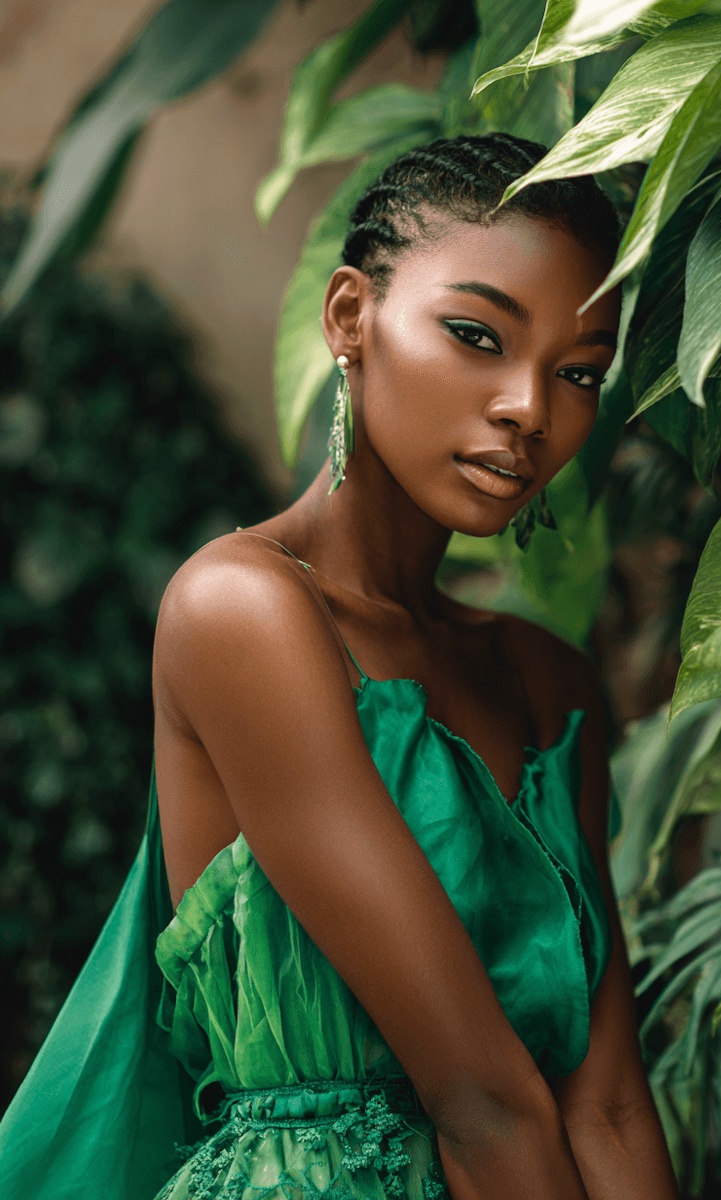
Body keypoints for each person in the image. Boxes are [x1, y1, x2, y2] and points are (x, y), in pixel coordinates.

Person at [0, 133, 678, 1200]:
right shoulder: (243, 610)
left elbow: (609, 1105)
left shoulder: (553, 685)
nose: (529, 407)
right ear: (350, 316)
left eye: (577, 372)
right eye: (477, 336)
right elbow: (482, 1098)